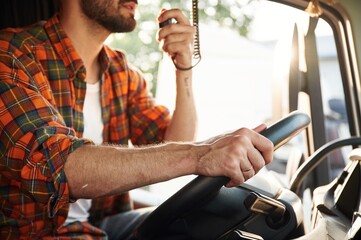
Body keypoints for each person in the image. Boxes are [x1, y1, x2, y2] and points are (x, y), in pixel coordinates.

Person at [0, 0, 274, 239]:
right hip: (38, 234)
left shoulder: (121, 72)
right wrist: (201, 155)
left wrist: (183, 68)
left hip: (101, 225)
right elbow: (62, 167)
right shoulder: (12, 55)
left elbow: (173, 142)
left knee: (227, 218)